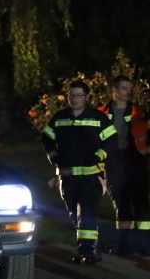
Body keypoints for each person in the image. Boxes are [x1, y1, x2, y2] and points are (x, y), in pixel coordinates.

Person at [41, 80, 118, 265]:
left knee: (87, 213)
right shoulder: (60, 118)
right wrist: (53, 155)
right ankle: (92, 247)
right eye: (71, 95)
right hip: (68, 176)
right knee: (74, 214)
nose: (74, 99)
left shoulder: (97, 118)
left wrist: (99, 156)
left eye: (78, 95)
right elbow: (46, 137)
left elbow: (112, 140)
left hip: (91, 176)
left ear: (86, 97)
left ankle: (88, 254)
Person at [98, 75, 150, 256]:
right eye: (124, 88)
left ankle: (144, 246)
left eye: (129, 88)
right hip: (113, 161)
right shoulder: (102, 113)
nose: (128, 92)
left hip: (135, 159)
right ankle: (125, 245)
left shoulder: (139, 112)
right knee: (121, 203)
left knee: (141, 203)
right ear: (114, 91)